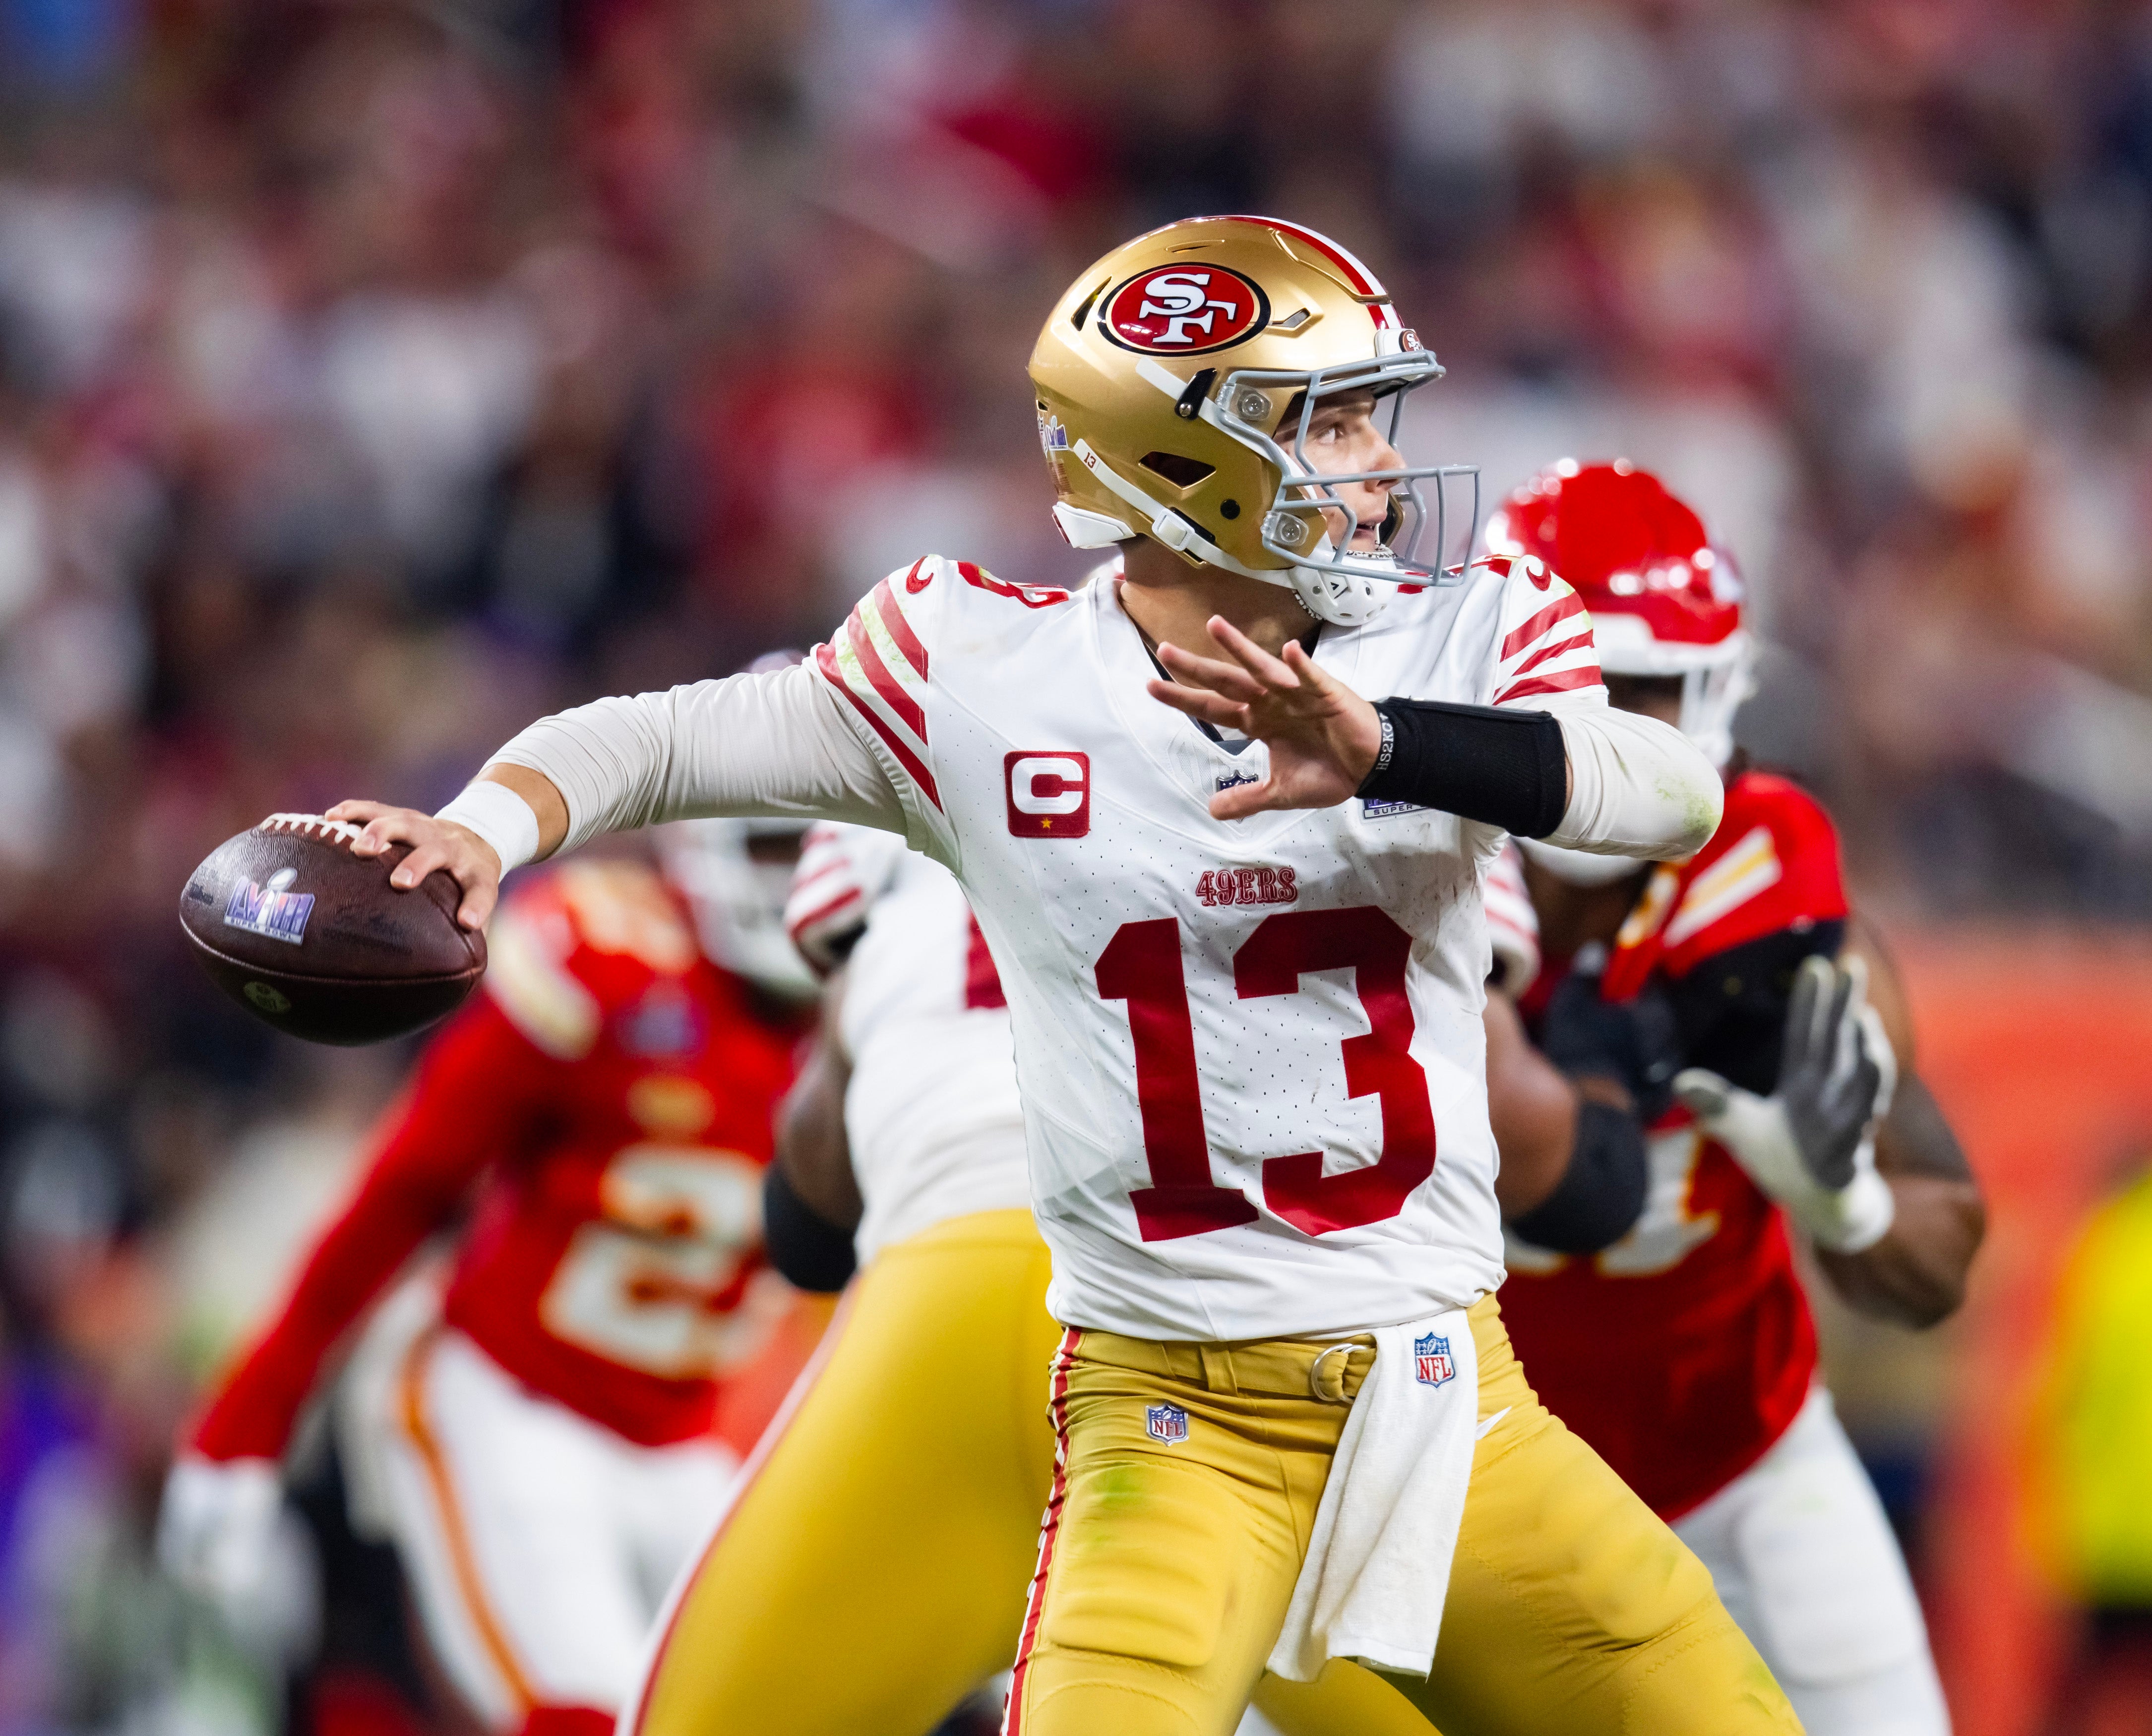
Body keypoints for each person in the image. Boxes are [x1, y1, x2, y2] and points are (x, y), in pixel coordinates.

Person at [321, 215, 1798, 1734]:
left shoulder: (1465, 631)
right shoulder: (976, 673)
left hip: (1446, 1403)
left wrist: (1386, 746)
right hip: (1170, 1426)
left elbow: (1663, 785)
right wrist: (479, 829)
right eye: (1332, 418)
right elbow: (659, 739)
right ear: (1190, 459)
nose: (1377, 459)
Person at [631, 820, 1437, 1736]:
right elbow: (1547, 1167)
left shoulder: (892, 766)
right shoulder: (1338, 751)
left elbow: (810, 1216)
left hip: (951, 1296)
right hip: (1232, 1309)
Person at [1486, 461, 1988, 1736]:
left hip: (1733, 1467)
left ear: (1714, 698)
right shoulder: (1399, 855)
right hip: (1450, 1486)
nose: (1612, 726)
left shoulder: (1767, 896)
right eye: (1577, 681)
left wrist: (1846, 1199)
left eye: (1646, 688)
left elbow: (1938, 1253)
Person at [160, 819, 818, 1736]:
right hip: (513, 1400)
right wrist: (249, 1415)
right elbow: (410, 1184)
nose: (799, 881)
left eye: (822, 850)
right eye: (776, 847)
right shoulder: (604, 959)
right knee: (587, 1719)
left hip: (690, 1434)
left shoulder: (886, 1003)